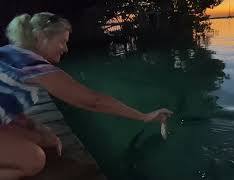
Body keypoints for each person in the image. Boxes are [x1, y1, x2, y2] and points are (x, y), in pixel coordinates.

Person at [0, 12, 172, 180]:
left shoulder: (11, 52)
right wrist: (144, 116)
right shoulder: (33, 67)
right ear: (40, 38)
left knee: (47, 139)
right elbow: (93, 101)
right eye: (62, 42)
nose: (66, 48)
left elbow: (6, 100)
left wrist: (34, 126)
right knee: (34, 160)